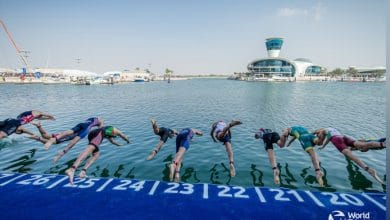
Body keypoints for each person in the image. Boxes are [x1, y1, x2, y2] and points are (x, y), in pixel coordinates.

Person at [315, 127, 385, 185]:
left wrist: (323, 145)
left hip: (337, 140)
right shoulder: (331, 128)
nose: (319, 136)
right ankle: (383, 144)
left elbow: (328, 137)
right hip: (344, 137)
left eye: (318, 134)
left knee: (351, 156)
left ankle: (368, 169)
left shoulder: (323, 130)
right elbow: (329, 136)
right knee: (363, 145)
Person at [65, 126, 130, 185]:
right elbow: (123, 135)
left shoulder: (109, 132)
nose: (115, 136)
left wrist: (118, 144)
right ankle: (72, 169)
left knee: (96, 154)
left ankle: (83, 172)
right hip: (98, 134)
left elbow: (112, 141)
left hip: (92, 134)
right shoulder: (115, 130)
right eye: (116, 136)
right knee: (89, 149)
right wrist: (128, 141)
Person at [29, 117, 103, 163]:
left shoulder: (92, 120)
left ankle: (39, 127)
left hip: (78, 126)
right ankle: (42, 139)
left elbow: (98, 123)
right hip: (74, 134)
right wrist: (60, 155)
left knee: (46, 136)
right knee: (55, 141)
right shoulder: (86, 131)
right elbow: (73, 142)